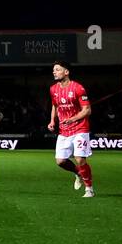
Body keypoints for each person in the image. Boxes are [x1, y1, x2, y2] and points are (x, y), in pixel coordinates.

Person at [48, 62, 93, 197]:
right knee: (60, 161)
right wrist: (52, 121)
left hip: (80, 128)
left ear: (66, 72)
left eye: (57, 70)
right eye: (53, 70)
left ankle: (89, 189)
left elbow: (87, 110)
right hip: (64, 130)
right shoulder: (53, 89)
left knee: (80, 159)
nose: (54, 72)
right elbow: (55, 106)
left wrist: (72, 119)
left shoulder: (78, 88)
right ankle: (78, 173)